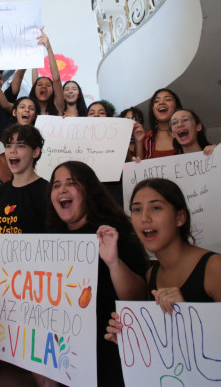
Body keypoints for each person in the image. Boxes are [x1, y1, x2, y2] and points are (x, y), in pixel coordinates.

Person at [106, 178, 221, 338]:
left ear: (180, 218)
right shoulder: (152, 275)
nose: (144, 218)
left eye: (156, 208)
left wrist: (188, 314)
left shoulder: (216, 268)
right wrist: (132, 340)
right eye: (137, 210)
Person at [47, 161, 148, 387]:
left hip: (111, 357)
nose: (62, 190)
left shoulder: (114, 232)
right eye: (56, 185)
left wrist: (113, 263)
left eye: (71, 183)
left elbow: (138, 298)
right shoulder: (50, 239)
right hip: (67, 360)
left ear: (89, 190)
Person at [0, 124, 52, 387]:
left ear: (36, 152)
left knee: (46, 377)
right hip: (2, 292)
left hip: (36, 297)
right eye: (8, 145)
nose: (12, 151)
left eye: (20, 145)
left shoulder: (47, 191)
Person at [30, 27, 64, 116]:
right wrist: (35, 52)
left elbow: (56, 79)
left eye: (48, 85)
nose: (43, 87)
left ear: (53, 90)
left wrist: (48, 47)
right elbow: (35, 83)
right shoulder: (30, 113)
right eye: (40, 85)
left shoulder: (58, 107)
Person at [143, 88, 182, 159]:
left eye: (168, 99)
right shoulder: (145, 139)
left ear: (176, 106)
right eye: (156, 101)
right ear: (153, 110)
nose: (161, 103)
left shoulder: (188, 134)